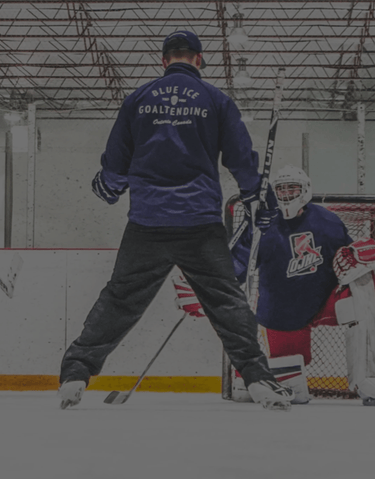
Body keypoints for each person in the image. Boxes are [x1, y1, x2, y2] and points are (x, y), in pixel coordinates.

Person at [58, 30, 294, 411]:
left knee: (119, 300)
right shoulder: (217, 100)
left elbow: (117, 159)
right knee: (227, 302)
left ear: (164, 60)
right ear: (199, 60)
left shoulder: (138, 98)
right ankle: (259, 379)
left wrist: (110, 185)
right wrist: (258, 198)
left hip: (147, 221)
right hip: (199, 223)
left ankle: (75, 373)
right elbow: (241, 159)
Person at [230, 164, 375, 405]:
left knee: (362, 292)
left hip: (326, 299)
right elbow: (236, 268)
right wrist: (207, 286)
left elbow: (351, 262)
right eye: (281, 189)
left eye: (292, 189)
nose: (286, 195)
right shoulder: (261, 226)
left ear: (305, 190)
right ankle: (256, 377)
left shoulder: (328, 221)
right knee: (292, 384)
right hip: (282, 313)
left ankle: (367, 380)